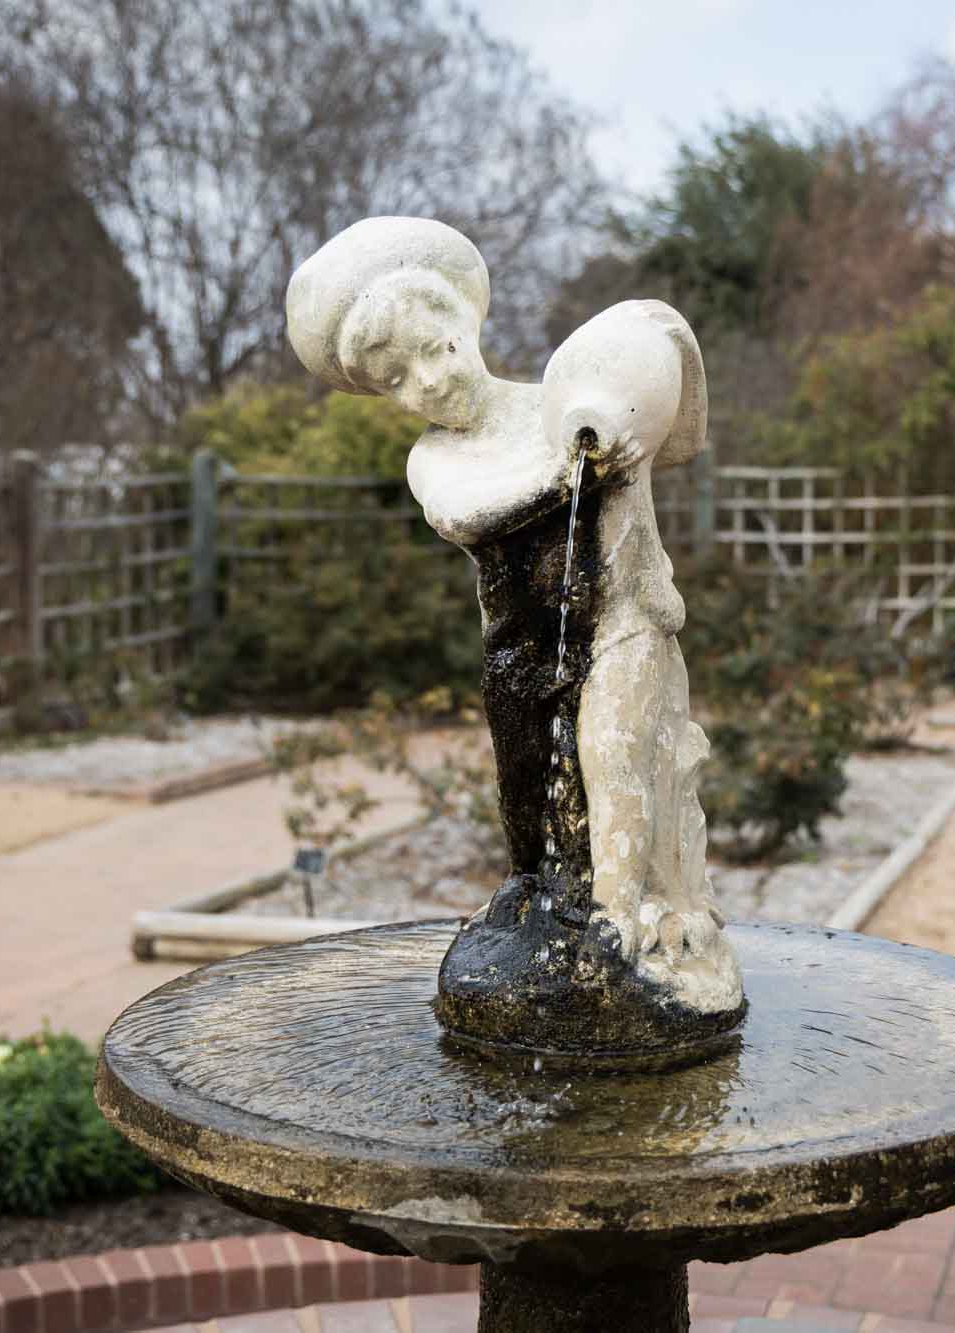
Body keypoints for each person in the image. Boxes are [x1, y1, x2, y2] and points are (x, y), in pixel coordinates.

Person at [286, 217, 741, 1035]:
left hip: (617, 622)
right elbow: (465, 512)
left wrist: (604, 443)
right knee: (524, 779)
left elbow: (635, 463)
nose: (426, 381)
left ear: (467, 327)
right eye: (398, 378)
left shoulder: (567, 405)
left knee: (613, 756)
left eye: (435, 350)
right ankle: (533, 884)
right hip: (516, 650)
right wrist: (569, 469)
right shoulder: (439, 462)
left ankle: (621, 917)